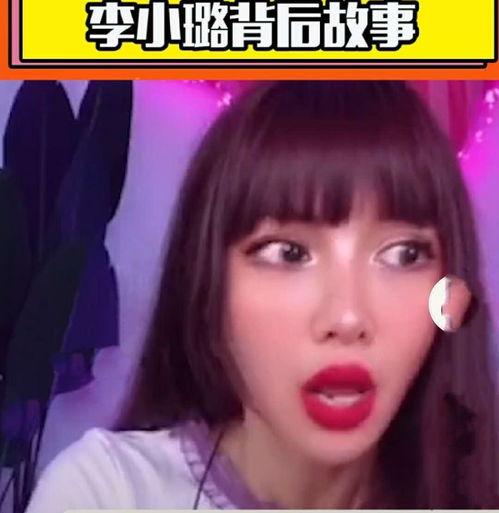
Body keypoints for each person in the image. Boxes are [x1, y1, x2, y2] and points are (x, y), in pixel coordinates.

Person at [26, 81, 498, 511]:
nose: (348, 317)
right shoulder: (108, 493)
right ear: (209, 287)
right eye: (288, 253)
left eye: (403, 255)